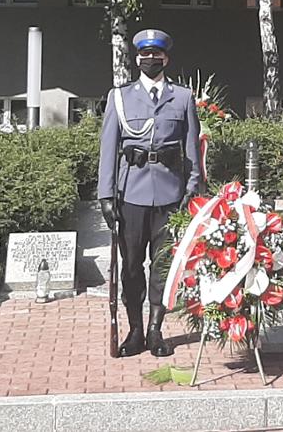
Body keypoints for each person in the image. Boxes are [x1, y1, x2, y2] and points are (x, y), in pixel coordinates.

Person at [98, 29, 202, 358]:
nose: (150, 60)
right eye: (144, 55)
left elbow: (192, 150)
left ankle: (156, 329)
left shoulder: (182, 97)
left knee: (163, 265)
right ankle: (134, 330)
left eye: (156, 55)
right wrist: (105, 195)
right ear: (137, 59)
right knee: (130, 266)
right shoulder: (120, 97)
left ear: (165, 59)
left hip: (170, 195)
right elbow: (108, 148)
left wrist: (192, 187)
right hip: (131, 194)